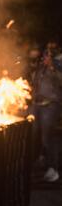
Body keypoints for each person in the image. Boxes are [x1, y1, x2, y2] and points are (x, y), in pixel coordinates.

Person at [32, 41, 62, 182]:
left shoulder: (57, 66)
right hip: (38, 106)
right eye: (45, 54)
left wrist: (52, 67)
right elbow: (35, 84)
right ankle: (41, 163)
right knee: (35, 135)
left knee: (48, 137)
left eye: (48, 54)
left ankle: (53, 169)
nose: (45, 57)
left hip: (51, 106)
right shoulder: (40, 68)